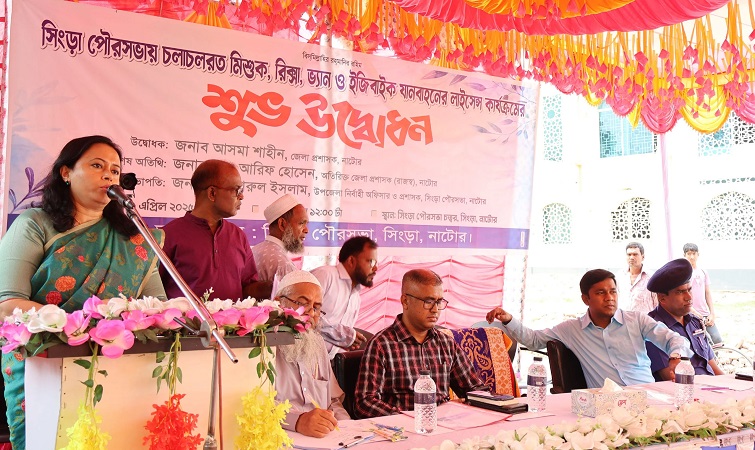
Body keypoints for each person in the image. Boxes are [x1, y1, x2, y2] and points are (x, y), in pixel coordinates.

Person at [0, 135, 166, 449]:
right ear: (66, 172)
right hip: (44, 367)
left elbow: (156, 305)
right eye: (97, 166)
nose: (108, 176)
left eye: (115, 171)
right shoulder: (35, 224)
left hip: (119, 367)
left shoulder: (135, 239)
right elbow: (8, 304)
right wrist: (84, 324)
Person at [486, 269, 691, 388]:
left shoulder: (637, 320)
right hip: (606, 407)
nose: (609, 298)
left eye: (613, 292)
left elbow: (676, 339)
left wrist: (676, 357)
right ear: (586, 299)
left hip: (647, 396)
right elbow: (533, 340)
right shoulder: (572, 329)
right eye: (601, 293)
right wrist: (508, 320)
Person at [353, 269, 485, 418]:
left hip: (445, 425)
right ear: (405, 301)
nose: (435, 309)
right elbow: (364, 403)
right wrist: (415, 417)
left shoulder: (446, 344)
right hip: (403, 428)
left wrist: (493, 402)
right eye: (428, 302)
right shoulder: (382, 345)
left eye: (439, 302)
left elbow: (475, 390)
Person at [160, 160, 270, 301]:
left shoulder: (238, 235)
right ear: (212, 193)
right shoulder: (168, 235)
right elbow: (154, 295)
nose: (241, 196)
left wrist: (276, 287)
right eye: (237, 190)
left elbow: (247, 287)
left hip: (233, 317)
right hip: (187, 317)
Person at [273, 270, 349, 437]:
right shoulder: (263, 345)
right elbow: (255, 404)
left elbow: (333, 401)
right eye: (302, 303)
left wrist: (347, 428)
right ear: (279, 303)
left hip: (325, 439)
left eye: (316, 307)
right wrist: (297, 421)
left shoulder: (318, 344)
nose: (311, 313)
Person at [645, 258, 724, 381]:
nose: (689, 297)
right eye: (680, 292)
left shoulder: (695, 322)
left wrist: (732, 385)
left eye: (689, 289)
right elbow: (672, 378)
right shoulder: (653, 329)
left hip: (712, 386)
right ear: (662, 298)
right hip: (686, 390)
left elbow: (713, 367)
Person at [311, 236, 376, 358]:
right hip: (302, 360)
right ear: (351, 261)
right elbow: (304, 315)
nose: (375, 269)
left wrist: (348, 341)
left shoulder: (356, 297)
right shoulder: (325, 275)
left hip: (328, 363)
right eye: (371, 262)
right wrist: (344, 335)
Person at [251, 194, 308, 282]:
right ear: (282, 224)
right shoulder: (283, 265)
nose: (306, 230)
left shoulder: (256, 250)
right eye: (301, 223)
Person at [683, 243, 723, 344]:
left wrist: (712, 313)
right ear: (684, 255)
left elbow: (707, 293)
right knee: (700, 342)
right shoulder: (683, 274)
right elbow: (682, 296)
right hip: (690, 314)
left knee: (717, 340)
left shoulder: (703, 272)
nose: (692, 257)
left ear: (698, 254)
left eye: (694, 253)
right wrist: (694, 312)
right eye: (689, 254)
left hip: (705, 314)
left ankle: (715, 355)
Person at [619, 242, 658, 313]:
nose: (631, 257)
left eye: (635, 254)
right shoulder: (619, 276)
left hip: (645, 319)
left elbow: (657, 303)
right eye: (629, 254)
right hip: (623, 319)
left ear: (643, 257)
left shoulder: (651, 277)